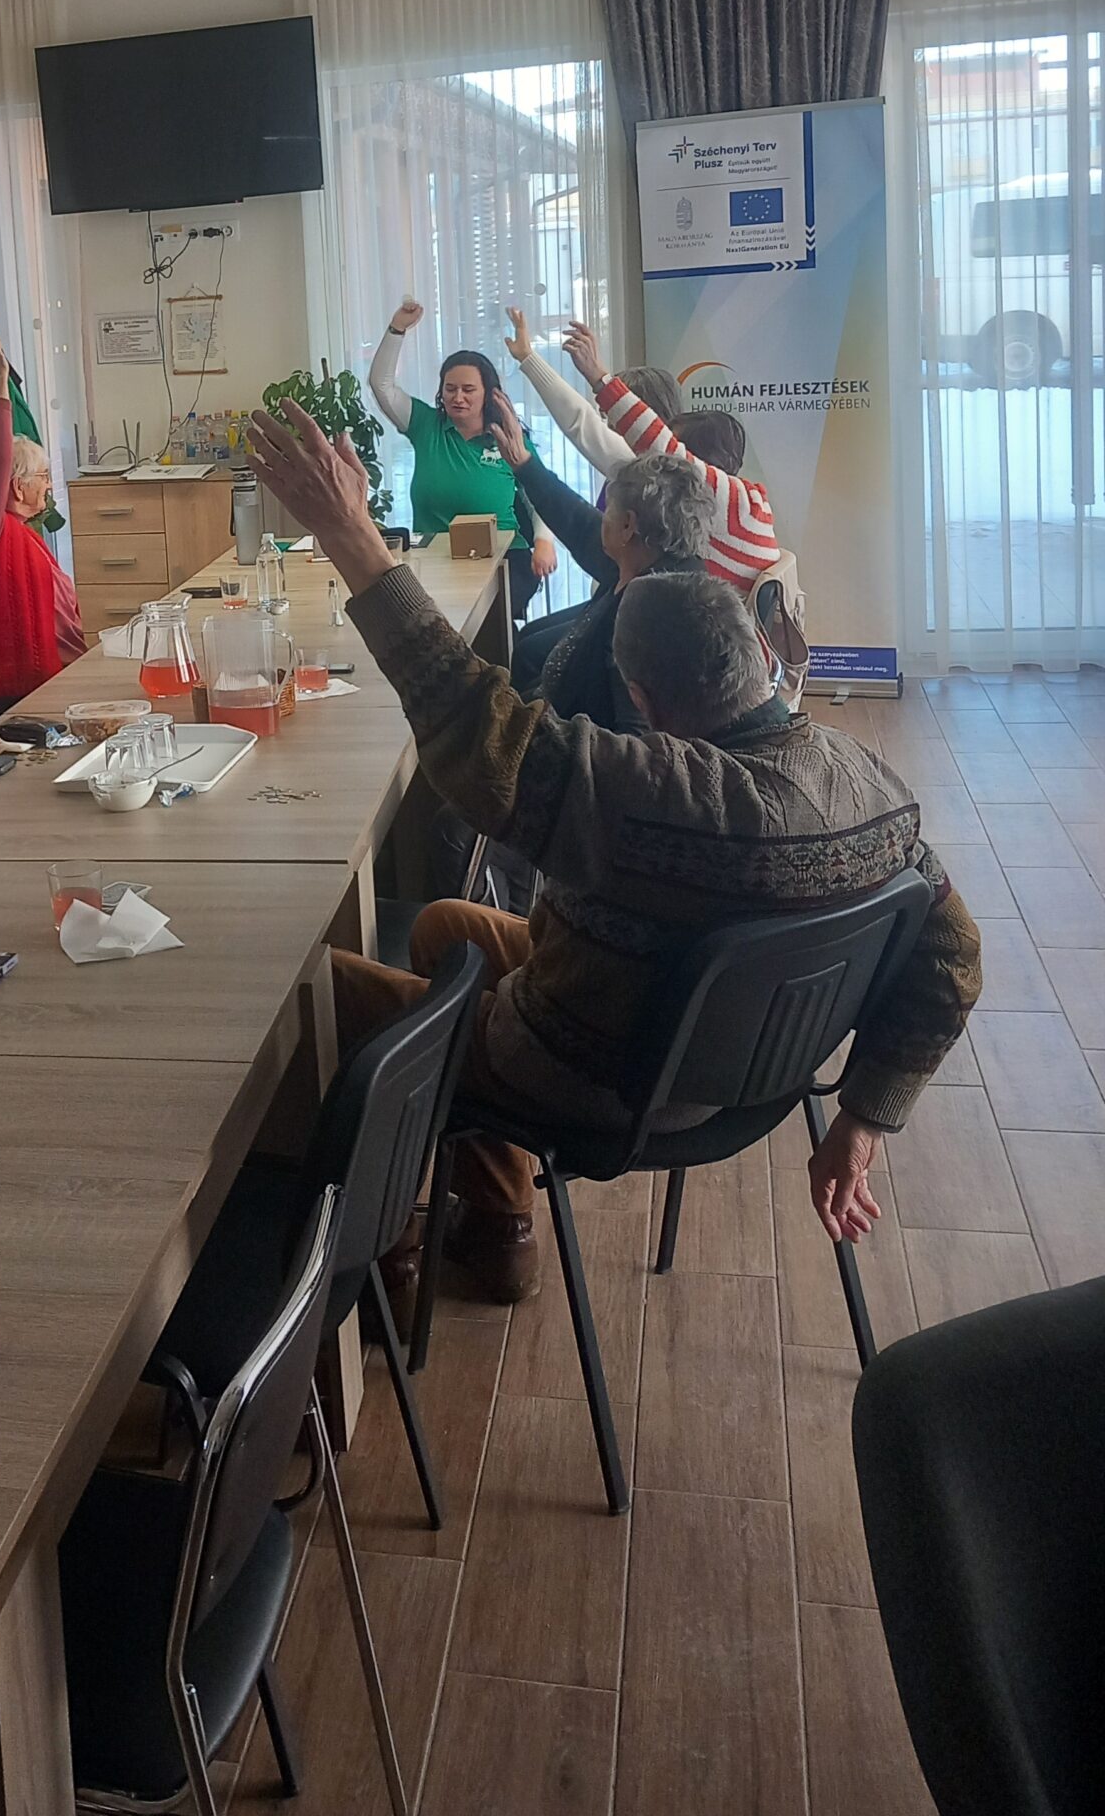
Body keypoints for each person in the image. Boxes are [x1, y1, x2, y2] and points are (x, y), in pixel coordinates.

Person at [245, 399, 981, 1306]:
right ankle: (503, 1228)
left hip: (609, 1072)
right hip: (744, 1068)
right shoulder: (874, 787)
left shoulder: (660, 799)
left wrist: (352, 534)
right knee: (444, 930)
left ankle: (368, 1267)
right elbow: (955, 951)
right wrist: (864, 1118)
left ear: (643, 697)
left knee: (320, 996)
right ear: (755, 653)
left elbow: (473, 723)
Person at [504, 307, 780, 587]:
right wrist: (529, 359)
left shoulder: (736, 504)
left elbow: (643, 438)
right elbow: (585, 427)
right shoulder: (712, 507)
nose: (659, 466)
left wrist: (600, 379)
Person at [485, 423, 710, 730]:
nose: (601, 517)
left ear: (628, 526)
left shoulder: (647, 619)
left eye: (608, 509)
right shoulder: (649, 560)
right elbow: (579, 523)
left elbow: (634, 740)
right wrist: (525, 466)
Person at [368, 299, 556, 615]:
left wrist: (544, 542)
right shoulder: (425, 425)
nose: (458, 397)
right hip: (434, 557)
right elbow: (381, 385)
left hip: (504, 557)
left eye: (468, 390)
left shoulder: (509, 437)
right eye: (450, 389)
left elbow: (541, 496)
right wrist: (396, 329)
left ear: (488, 393)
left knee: (489, 623)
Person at [0, 315, 85, 707]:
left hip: (57, 682)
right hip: (20, 696)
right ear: (15, 485)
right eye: (44, 477)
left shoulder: (28, 535)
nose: (49, 486)